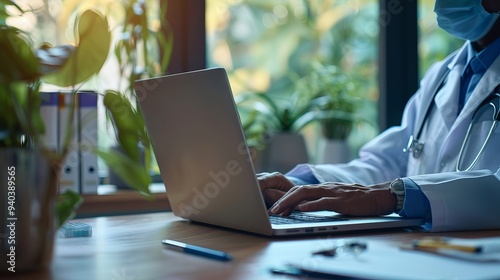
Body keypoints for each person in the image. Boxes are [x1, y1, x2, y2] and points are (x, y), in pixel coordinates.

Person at [258, 0, 500, 232]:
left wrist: (393, 196)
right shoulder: (441, 76)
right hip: (423, 248)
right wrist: (301, 184)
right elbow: (390, 163)